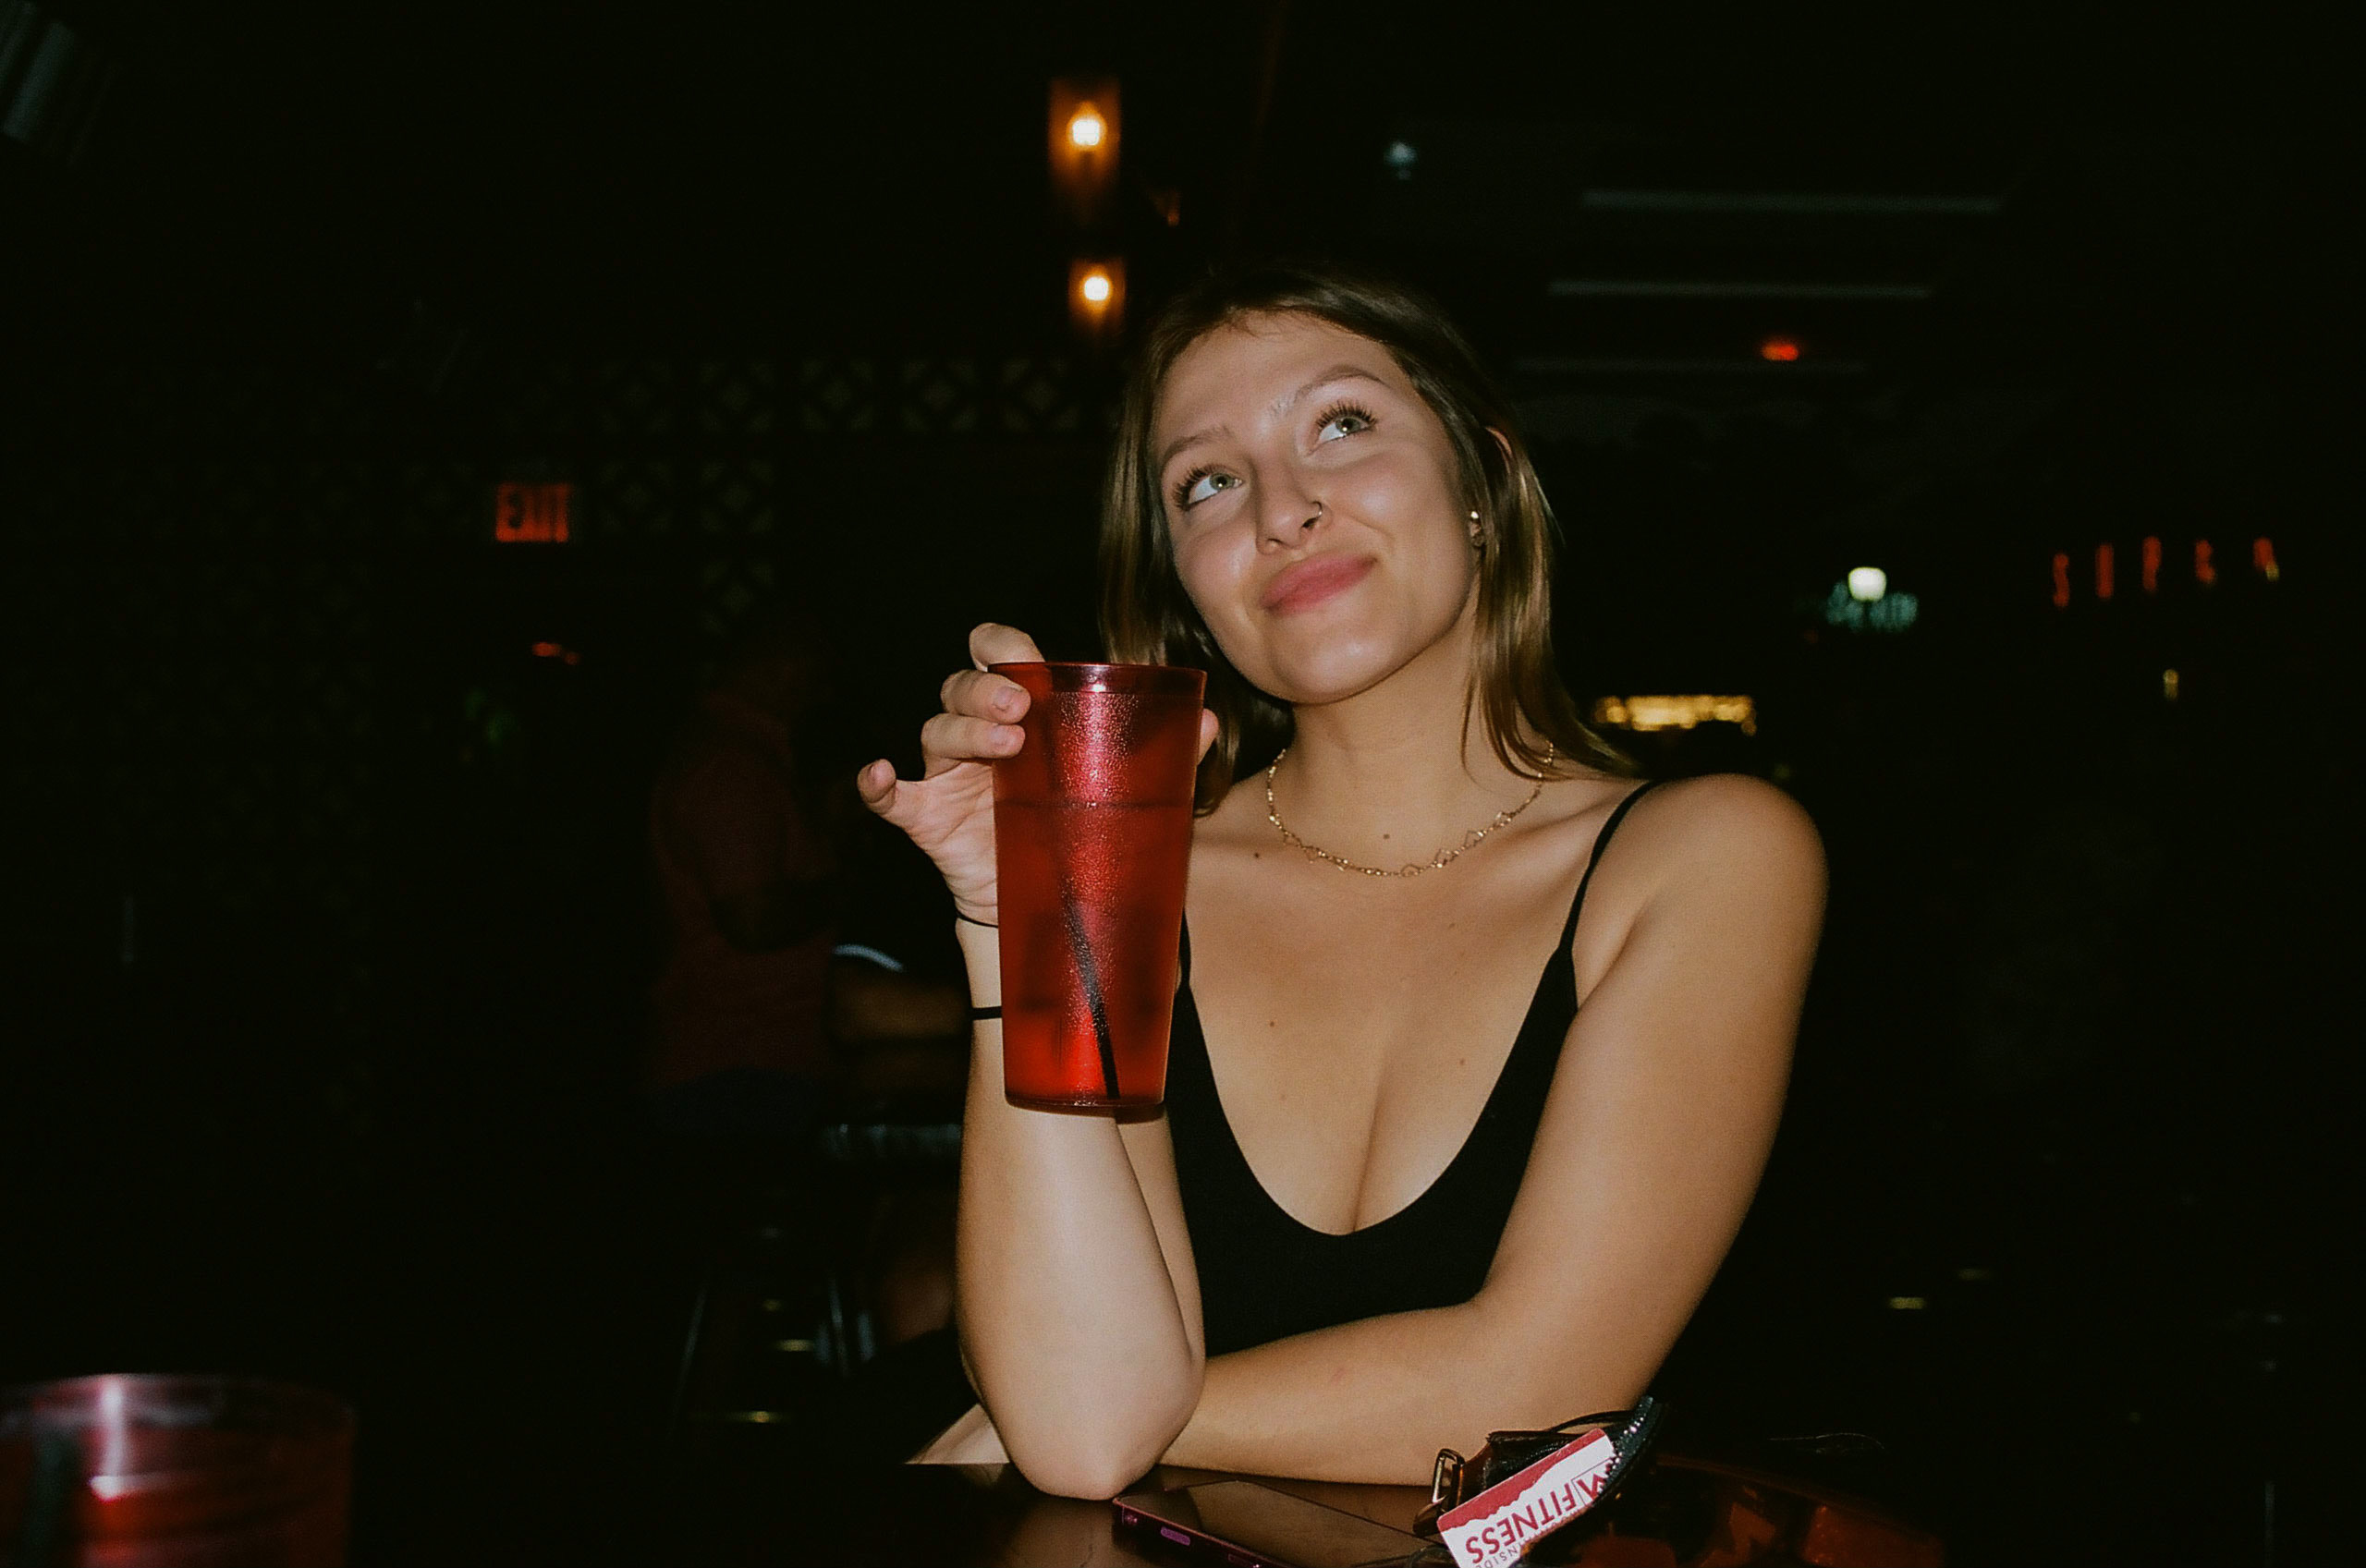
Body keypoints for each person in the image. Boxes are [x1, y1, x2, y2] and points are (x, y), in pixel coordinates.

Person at [856, 262, 1826, 1497]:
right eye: (1207, 481)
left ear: (1482, 477)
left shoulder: (1704, 855)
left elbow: (1530, 1391)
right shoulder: (1136, 883)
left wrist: (1079, 1414)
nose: (1279, 507)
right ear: (1190, 590)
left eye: (1343, 424)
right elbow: (1082, 1423)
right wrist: (1022, 910)